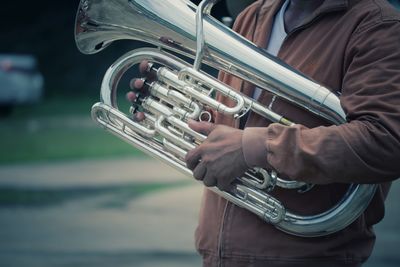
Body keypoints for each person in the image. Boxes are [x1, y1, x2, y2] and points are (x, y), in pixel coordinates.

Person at [129, 0, 400, 266]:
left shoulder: (377, 25)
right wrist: (177, 110)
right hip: (218, 255)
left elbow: (386, 141)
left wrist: (255, 147)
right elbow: (234, 119)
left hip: (306, 258)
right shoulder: (252, 16)